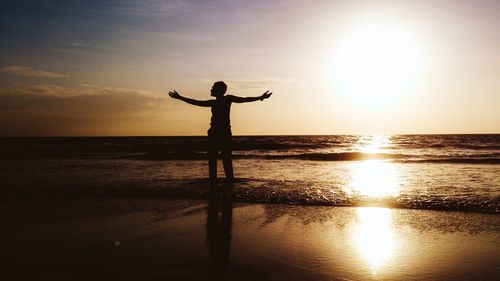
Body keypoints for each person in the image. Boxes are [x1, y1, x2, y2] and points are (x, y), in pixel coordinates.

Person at [169, 81, 272, 184]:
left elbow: (244, 100)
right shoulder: (216, 102)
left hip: (221, 133)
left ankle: (221, 183)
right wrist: (180, 97)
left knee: (219, 160)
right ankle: (220, 183)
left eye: (213, 88)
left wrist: (260, 97)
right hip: (217, 133)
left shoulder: (227, 99)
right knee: (219, 160)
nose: (211, 89)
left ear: (219, 90)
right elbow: (196, 102)